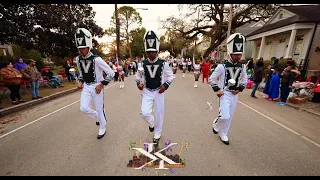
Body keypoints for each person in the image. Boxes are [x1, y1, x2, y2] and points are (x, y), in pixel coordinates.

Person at [74, 28, 115, 139]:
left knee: (99, 108)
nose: (81, 50)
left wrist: (101, 85)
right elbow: (82, 73)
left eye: (83, 48)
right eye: (79, 48)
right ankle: (99, 116)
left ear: (89, 46)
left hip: (97, 86)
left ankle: (102, 127)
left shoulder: (97, 59)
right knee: (83, 108)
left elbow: (111, 73)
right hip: (87, 86)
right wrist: (80, 82)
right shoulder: (78, 59)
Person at [208, 33, 248, 145]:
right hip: (224, 94)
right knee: (225, 115)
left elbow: (244, 80)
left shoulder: (243, 66)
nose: (238, 56)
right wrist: (217, 90)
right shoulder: (222, 66)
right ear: (230, 53)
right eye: (236, 54)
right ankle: (216, 124)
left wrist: (239, 89)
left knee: (230, 116)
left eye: (240, 54)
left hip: (235, 94)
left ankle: (223, 133)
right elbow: (211, 79)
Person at [136, 30, 174, 144]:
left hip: (159, 92)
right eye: (148, 52)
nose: (151, 54)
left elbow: (170, 76)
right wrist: (139, 84)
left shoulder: (164, 63)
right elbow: (137, 76)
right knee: (145, 113)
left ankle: (157, 133)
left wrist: (166, 85)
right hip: (147, 91)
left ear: (157, 51)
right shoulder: (142, 64)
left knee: (159, 113)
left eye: (153, 52)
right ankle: (151, 123)